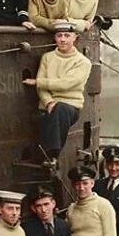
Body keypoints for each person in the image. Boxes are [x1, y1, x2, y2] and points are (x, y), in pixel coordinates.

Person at [22, 21, 92, 162]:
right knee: (51, 114)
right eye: (59, 36)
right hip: (48, 106)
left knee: (60, 109)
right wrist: (48, 102)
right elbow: (42, 88)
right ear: (55, 38)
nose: (63, 39)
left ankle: (51, 156)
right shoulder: (47, 58)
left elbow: (67, 84)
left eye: (67, 35)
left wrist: (38, 81)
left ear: (74, 38)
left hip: (70, 107)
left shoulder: (83, 62)